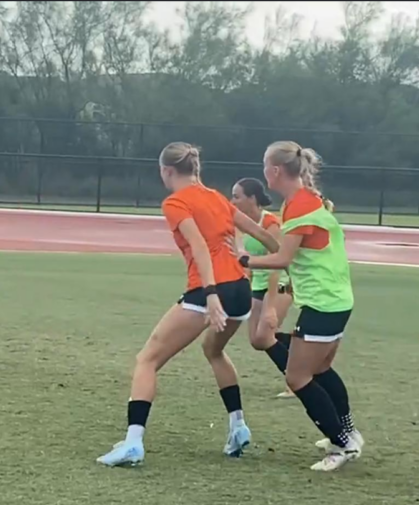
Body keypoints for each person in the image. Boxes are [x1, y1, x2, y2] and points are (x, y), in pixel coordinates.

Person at [97, 142, 280, 467]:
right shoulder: (216, 197)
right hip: (240, 289)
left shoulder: (176, 202)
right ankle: (238, 426)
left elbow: (198, 245)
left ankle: (132, 442)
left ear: (167, 171)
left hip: (211, 290)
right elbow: (266, 236)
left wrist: (210, 295)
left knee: (147, 360)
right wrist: (248, 259)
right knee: (214, 350)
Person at [238, 141, 363, 472]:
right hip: (335, 299)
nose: (264, 171)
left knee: (298, 376)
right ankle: (348, 433)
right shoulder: (306, 199)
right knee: (319, 370)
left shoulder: (298, 207)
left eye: (265, 165)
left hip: (323, 303)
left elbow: (282, 257)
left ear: (275, 171)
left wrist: (242, 259)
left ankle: (342, 444)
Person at [230, 177, 296, 399]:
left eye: (237, 196)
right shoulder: (243, 223)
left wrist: (269, 306)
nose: (233, 200)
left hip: (280, 283)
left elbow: (278, 261)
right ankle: (303, 347)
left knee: (265, 334)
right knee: (258, 340)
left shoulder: (270, 223)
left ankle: (297, 380)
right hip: (257, 284)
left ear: (252, 198)